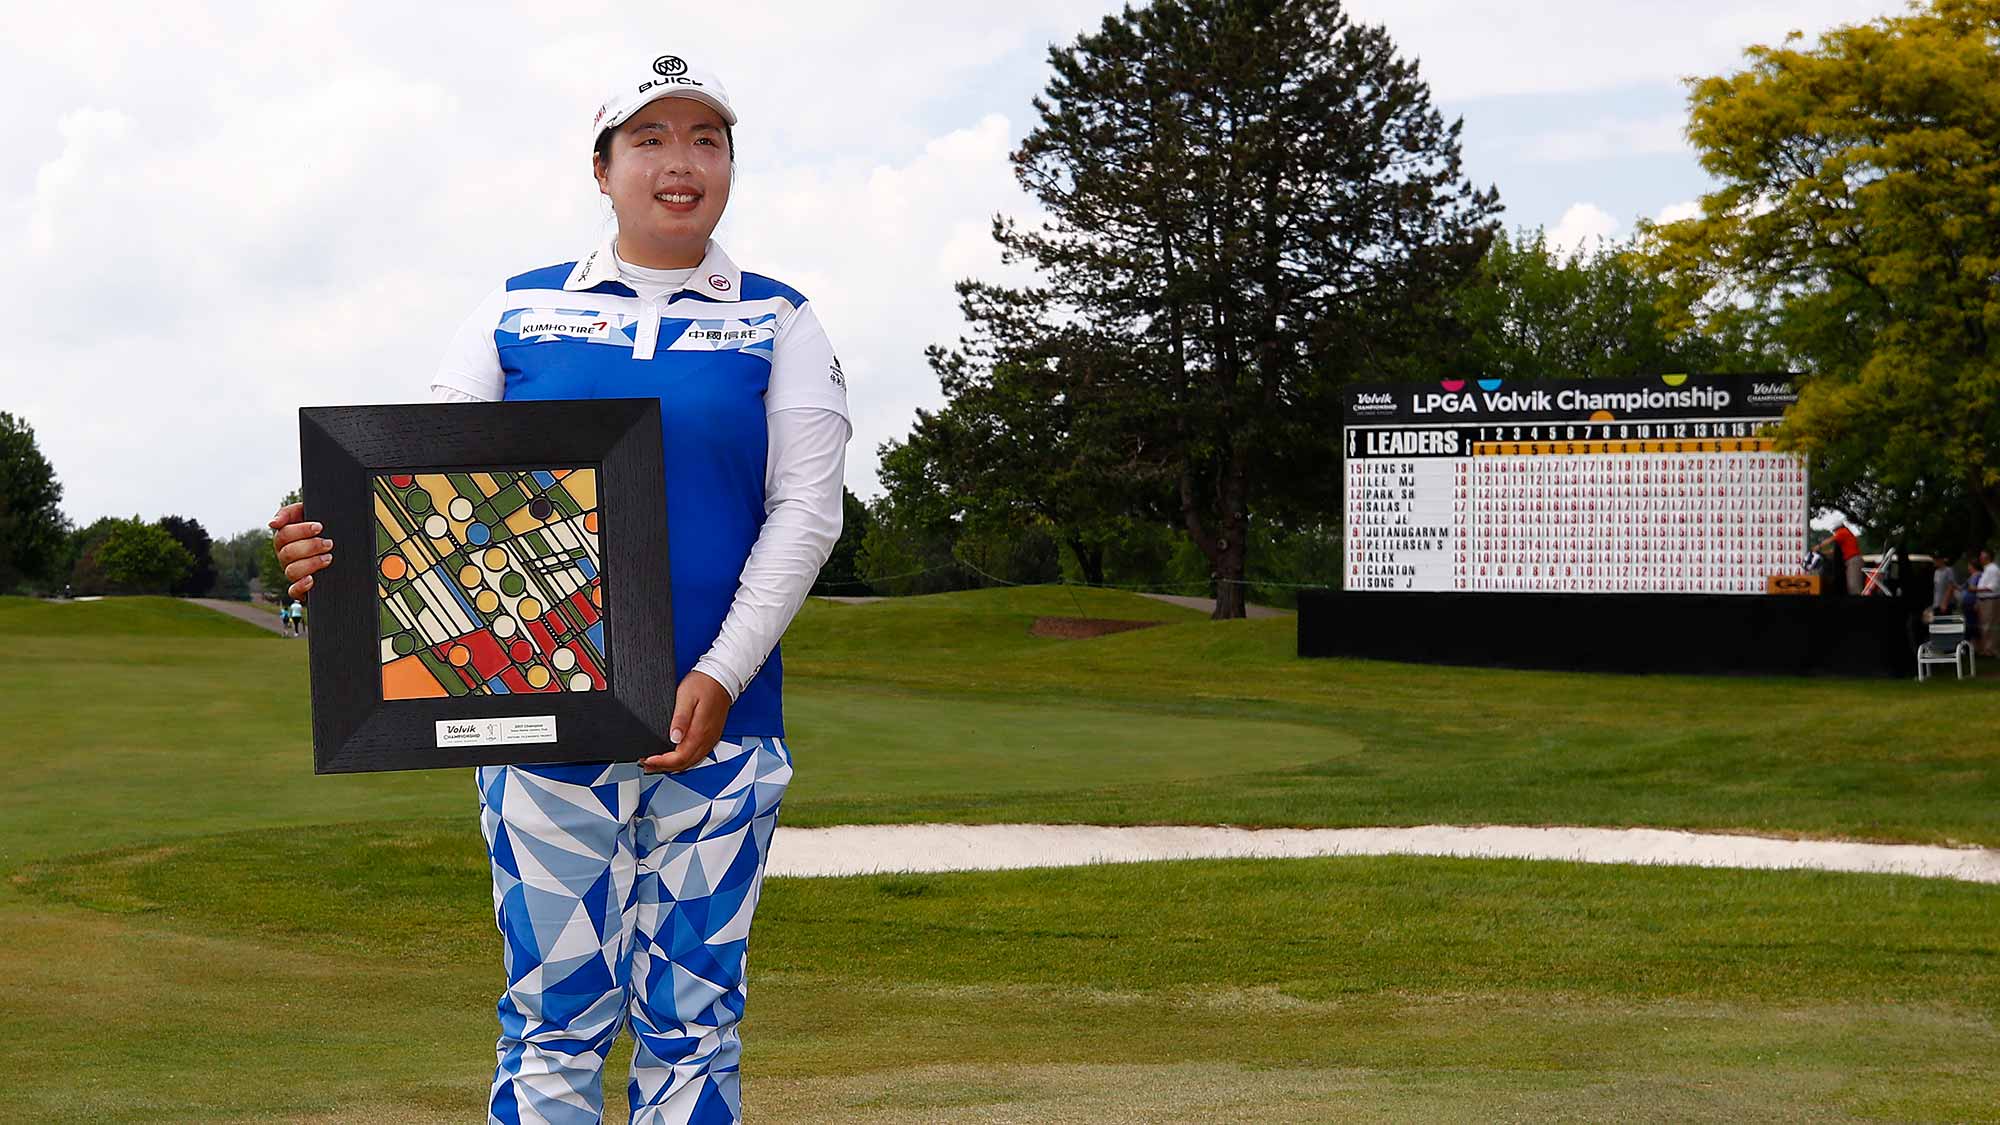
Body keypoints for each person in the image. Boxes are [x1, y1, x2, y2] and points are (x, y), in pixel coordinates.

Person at [270, 54, 849, 1125]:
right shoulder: (515, 311)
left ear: (728, 165)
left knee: (694, 1022)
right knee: (552, 1020)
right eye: (650, 140)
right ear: (602, 166)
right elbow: (420, 494)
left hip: (722, 727)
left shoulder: (782, 321)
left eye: (705, 140)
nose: (680, 164)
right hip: (542, 727)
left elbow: (805, 514)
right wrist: (324, 559)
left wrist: (719, 674)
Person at [1815, 518, 1864, 595]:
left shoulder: (1842, 532)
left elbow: (1830, 540)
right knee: (1851, 585)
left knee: (1854, 586)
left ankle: (1859, 604)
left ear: (1837, 528)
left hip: (1853, 560)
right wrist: (1824, 552)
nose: (1834, 532)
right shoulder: (1845, 535)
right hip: (1852, 561)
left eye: (1834, 530)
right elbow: (1834, 551)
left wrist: (1818, 546)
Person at [1974, 548, 2000, 657]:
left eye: (1982, 556)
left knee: (1990, 626)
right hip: (1984, 601)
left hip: (1990, 600)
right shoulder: (1987, 569)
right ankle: (1986, 649)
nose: (1980, 558)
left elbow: (1992, 587)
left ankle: (1991, 650)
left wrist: (1975, 589)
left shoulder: (1993, 569)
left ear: (1987, 557)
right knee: (1985, 626)